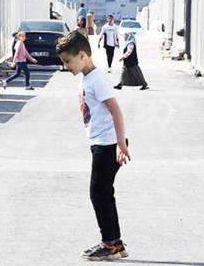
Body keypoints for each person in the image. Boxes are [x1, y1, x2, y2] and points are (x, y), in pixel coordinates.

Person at [55, 31, 131, 261]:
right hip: (101, 143)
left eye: (68, 61)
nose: (66, 66)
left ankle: (110, 244)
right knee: (104, 193)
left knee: (98, 193)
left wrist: (120, 144)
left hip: (108, 144)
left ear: (82, 55)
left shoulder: (97, 80)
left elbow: (116, 111)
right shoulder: (86, 79)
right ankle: (115, 242)